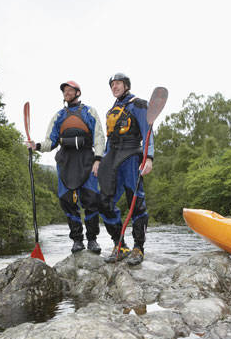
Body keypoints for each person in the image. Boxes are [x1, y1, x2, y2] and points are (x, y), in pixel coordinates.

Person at [27, 80, 105, 253]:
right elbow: (50, 142)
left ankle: (92, 239)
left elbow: (99, 137)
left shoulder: (89, 112)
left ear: (78, 92)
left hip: (86, 159)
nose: (67, 93)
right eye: (65, 90)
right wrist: (36, 146)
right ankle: (77, 240)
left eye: (70, 90)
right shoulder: (58, 116)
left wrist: (98, 159)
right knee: (67, 201)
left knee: (91, 200)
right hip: (65, 161)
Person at [98, 73, 154, 265]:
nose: (115, 87)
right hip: (112, 157)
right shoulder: (112, 110)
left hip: (131, 155)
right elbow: (108, 140)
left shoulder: (138, 104)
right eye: (112, 84)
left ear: (126, 85)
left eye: (118, 83)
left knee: (135, 201)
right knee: (104, 202)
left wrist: (149, 158)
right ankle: (119, 244)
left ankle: (139, 247)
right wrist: (103, 162)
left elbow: (147, 132)